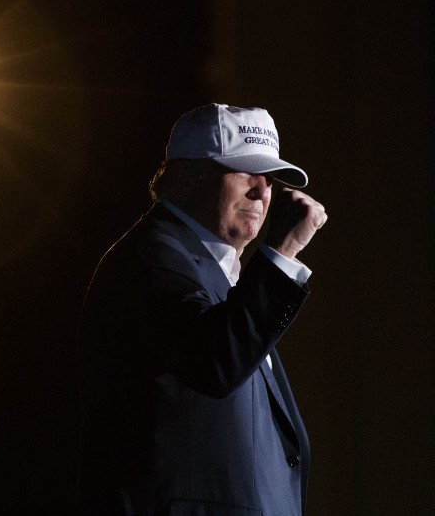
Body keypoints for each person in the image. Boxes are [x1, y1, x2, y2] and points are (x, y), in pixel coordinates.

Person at [77, 103, 327, 515]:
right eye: (245, 170)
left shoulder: (219, 270)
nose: (262, 190)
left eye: (269, 177)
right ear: (189, 175)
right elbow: (214, 359)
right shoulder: (152, 258)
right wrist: (282, 252)